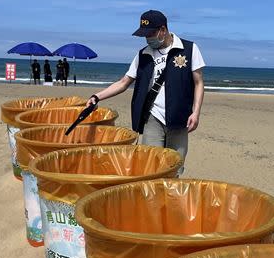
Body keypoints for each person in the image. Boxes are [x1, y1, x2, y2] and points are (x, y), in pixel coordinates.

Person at [86, 10, 205, 173]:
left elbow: (198, 83)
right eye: (145, 35)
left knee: (174, 167)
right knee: (151, 165)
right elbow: (123, 82)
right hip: (152, 118)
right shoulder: (143, 55)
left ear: (163, 30)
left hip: (180, 118)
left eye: (151, 33)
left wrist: (196, 113)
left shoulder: (189, 49)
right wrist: (97, 96)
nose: (148, 38)